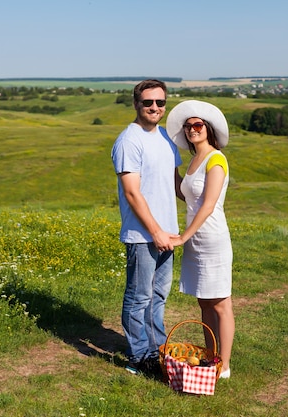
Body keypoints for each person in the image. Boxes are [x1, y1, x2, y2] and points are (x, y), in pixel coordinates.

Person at [111, 79, 183, 375]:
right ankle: (139, 356)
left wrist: (205, 203)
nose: (155, 107)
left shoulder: (166, 137)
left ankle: (158, 350)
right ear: (136, 104)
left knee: (159, 296)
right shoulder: (129, 140)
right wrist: (154, 231)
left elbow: (176, 183)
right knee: (139, 296)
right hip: (143, 235)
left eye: (160, 103)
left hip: (168, 233)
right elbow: (132, 193)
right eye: (148, 102)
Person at [166, 100, 235, 379]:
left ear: (208, 129)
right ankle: (211, 358)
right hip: (196, 240)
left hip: (212, 238)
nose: (192, 130)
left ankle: (225, 366)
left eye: (197, 125)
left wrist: (183, 236)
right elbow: (188, 195)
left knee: (221, 302)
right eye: (188, 126)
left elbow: (207, 205)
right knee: (204, 302)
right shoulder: (195, 160)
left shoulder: (216, 159)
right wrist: (170, 169)